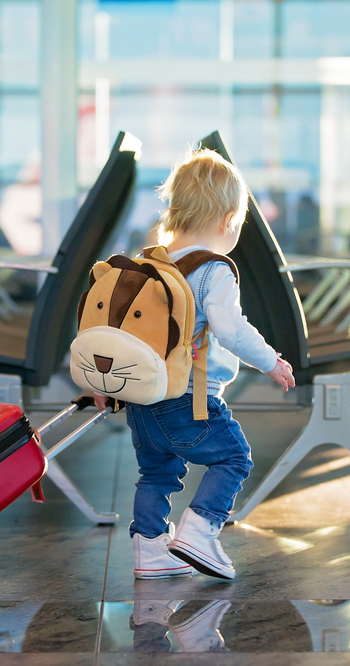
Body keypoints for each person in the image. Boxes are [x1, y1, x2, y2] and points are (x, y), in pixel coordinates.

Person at [94, 148, 296, 580]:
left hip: (142, 399)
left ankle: (149, 551)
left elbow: (120, 334)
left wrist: (107, 386)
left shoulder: (149, 263)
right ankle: (201, 530)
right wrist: (271, 362)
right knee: (235, 458)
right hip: (190, 399)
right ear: (228, 221)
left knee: (156, 473)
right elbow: (232, 329)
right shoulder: (213, 270)